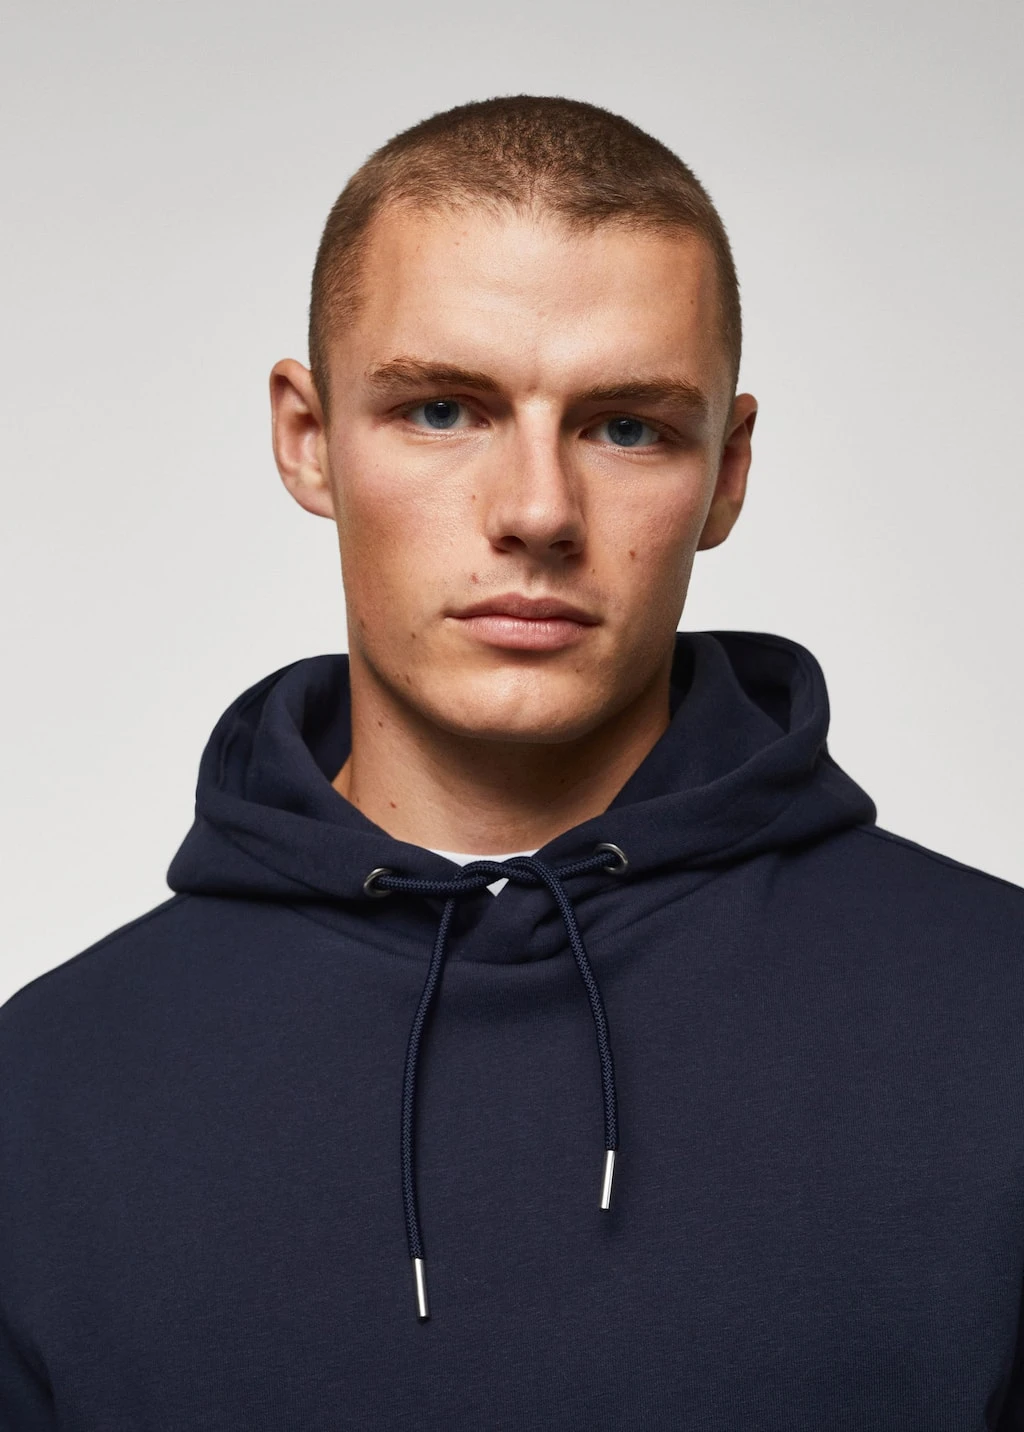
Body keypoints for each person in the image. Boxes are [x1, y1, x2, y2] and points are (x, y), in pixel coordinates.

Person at [1, 93, 1022, 1432]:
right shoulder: (43, 1098)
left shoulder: (999, 1022)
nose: (538, 511)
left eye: (627, 426)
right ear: (308, 438)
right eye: (442, 409)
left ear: (727, 472)